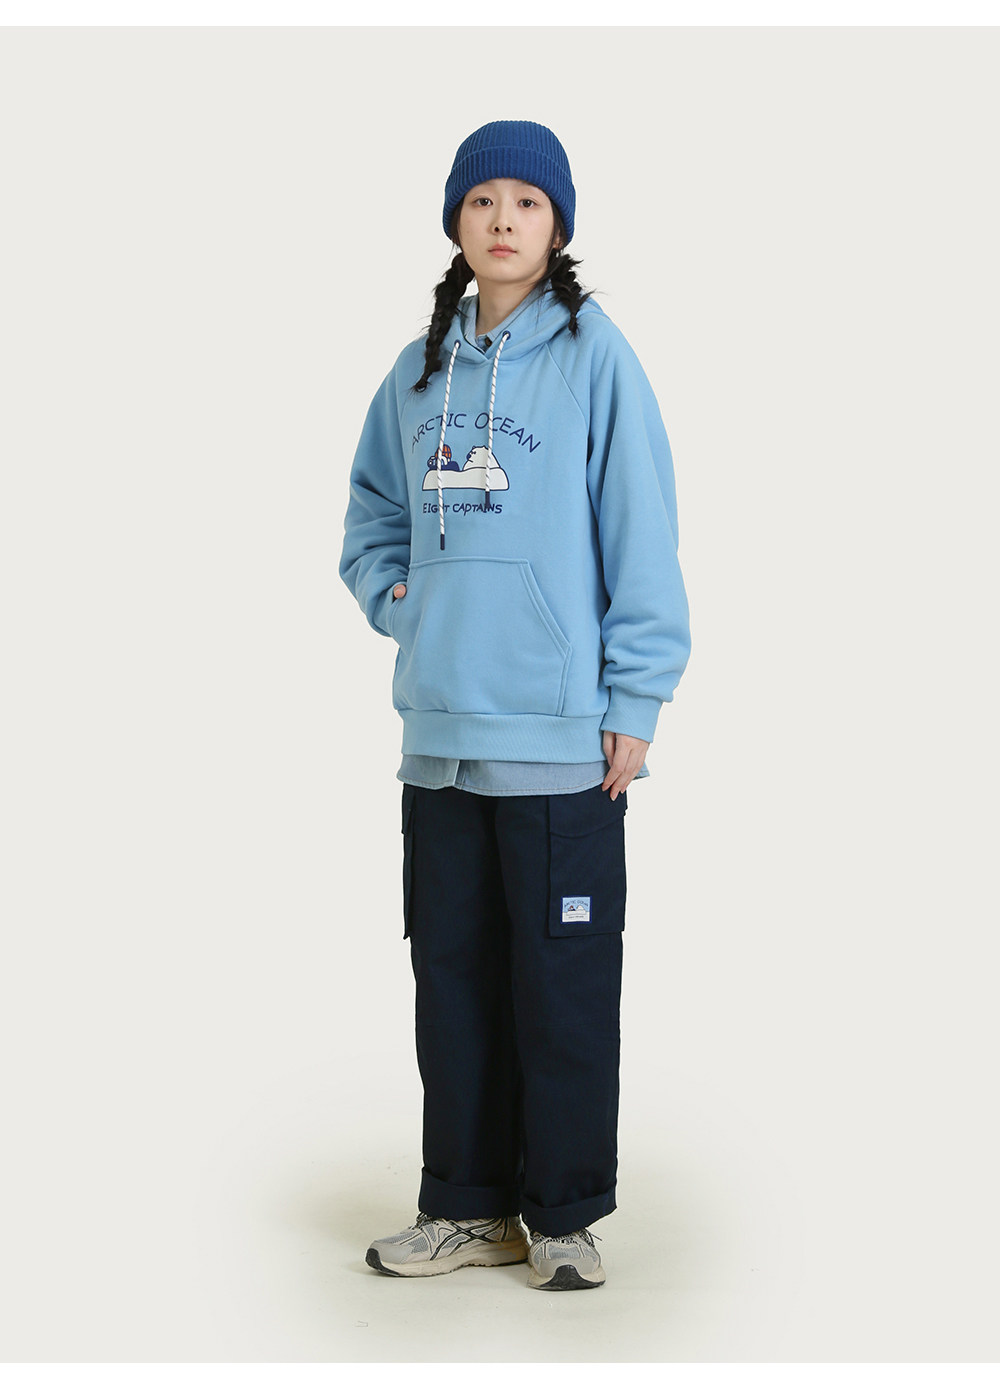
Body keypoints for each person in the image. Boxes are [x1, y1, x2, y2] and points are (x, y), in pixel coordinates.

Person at [339, 120, 691, 1291]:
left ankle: (564, 1217)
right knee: (453, 985)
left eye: (527, 202)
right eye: (482, 199)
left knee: (562, 993)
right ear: (455, 220)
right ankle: (467, 1208)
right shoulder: (417, 371)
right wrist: (406, 606)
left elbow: (642, 533)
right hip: (439, 740)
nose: (502, 220)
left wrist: (635, 694)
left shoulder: (596, 359)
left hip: (561, 741)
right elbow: (372, 517)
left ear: (557, 225)